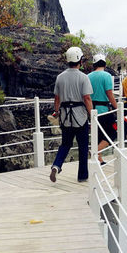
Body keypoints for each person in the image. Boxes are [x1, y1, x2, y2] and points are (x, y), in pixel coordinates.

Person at [49, 46, 94, 183]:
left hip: (65, 116)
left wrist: (56, 112)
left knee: (65, 144)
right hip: (80, 115)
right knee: (83, 146)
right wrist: (92, 115)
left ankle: (56, 165)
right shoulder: (83, 77)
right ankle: (82, 176)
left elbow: (57, 99)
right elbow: (87, 98)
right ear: (79, 60)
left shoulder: (60, 77)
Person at [87, 53, 118, 164]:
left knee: (98, 135)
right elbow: (109, 93)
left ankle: (99, 160)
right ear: (104, 64)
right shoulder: (107, 76)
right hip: (104, 110)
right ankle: (95, 151)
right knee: (113, 132)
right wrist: (117, 107)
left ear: (94, 64)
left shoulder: (88, 76)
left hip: (92, 109)